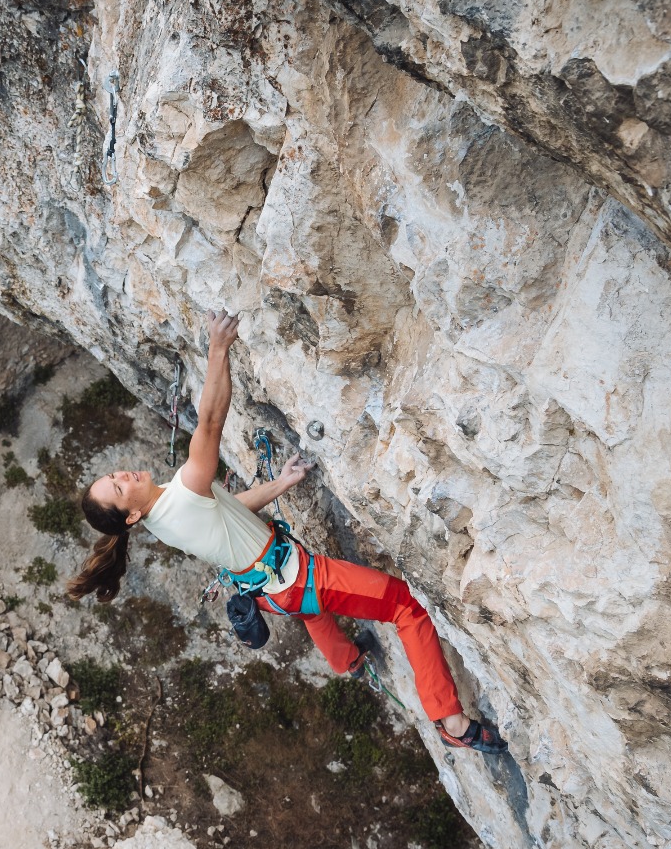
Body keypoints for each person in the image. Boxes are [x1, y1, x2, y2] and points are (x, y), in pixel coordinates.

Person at [66, 312, 507, 753]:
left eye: (113, 475)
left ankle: (349, 662)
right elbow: (211, 422)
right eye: (119, 488)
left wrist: (281, 483)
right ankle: (451, 721)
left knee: (313, 614)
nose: (124, 475)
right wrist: (218, 350)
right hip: (298, 578)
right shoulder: (181, 491)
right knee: (406, 607)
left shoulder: (164, 516)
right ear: (130, 517)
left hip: (269, 591)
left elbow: (228, 510)